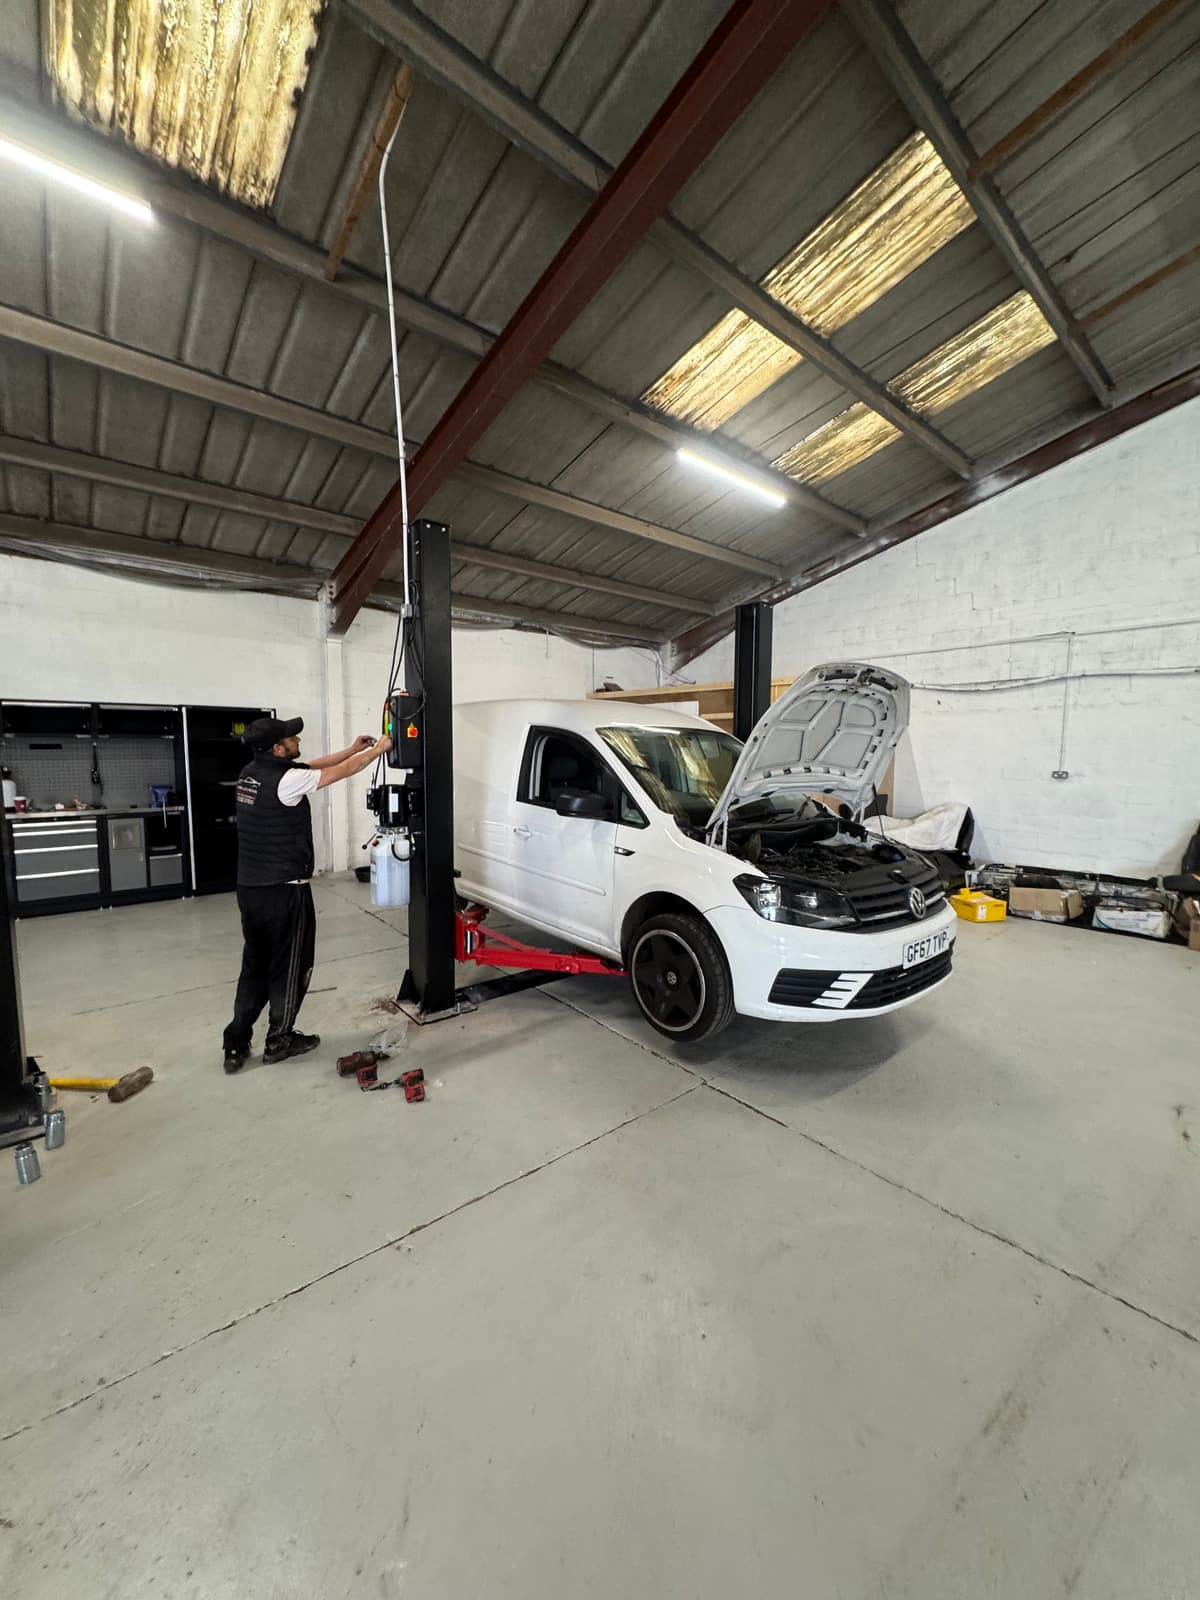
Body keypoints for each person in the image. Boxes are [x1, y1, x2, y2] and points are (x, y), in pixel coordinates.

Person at [221, 716, 392, 1073]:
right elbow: (340, 772)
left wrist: (353, 747)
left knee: (254, 965)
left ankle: (236, 1041)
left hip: (251, 890)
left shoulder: (252, 773)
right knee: (291, 964)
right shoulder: (287, 780)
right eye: (290, 737)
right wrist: (380, 749)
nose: (298, 738)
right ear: (278, 748)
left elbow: (312, 766)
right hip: (285, 892)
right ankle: (279, 1039)